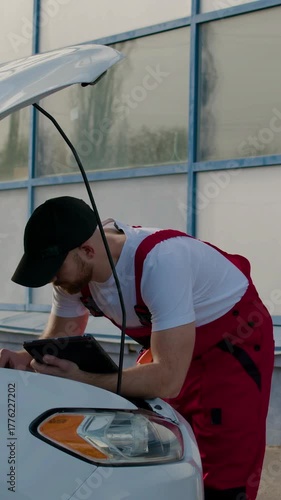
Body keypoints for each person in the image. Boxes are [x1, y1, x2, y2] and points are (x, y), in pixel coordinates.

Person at [0, 196, 274, 500]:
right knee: (164, 450)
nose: (51, 278)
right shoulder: (74, 276)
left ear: (87, 251)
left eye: (54, 268)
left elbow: (168, 379)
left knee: (225, 471)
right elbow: (59, 338)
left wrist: (85, 380)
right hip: (170, 348)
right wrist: (21, 358)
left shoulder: (161, 261)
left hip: (232, 344)